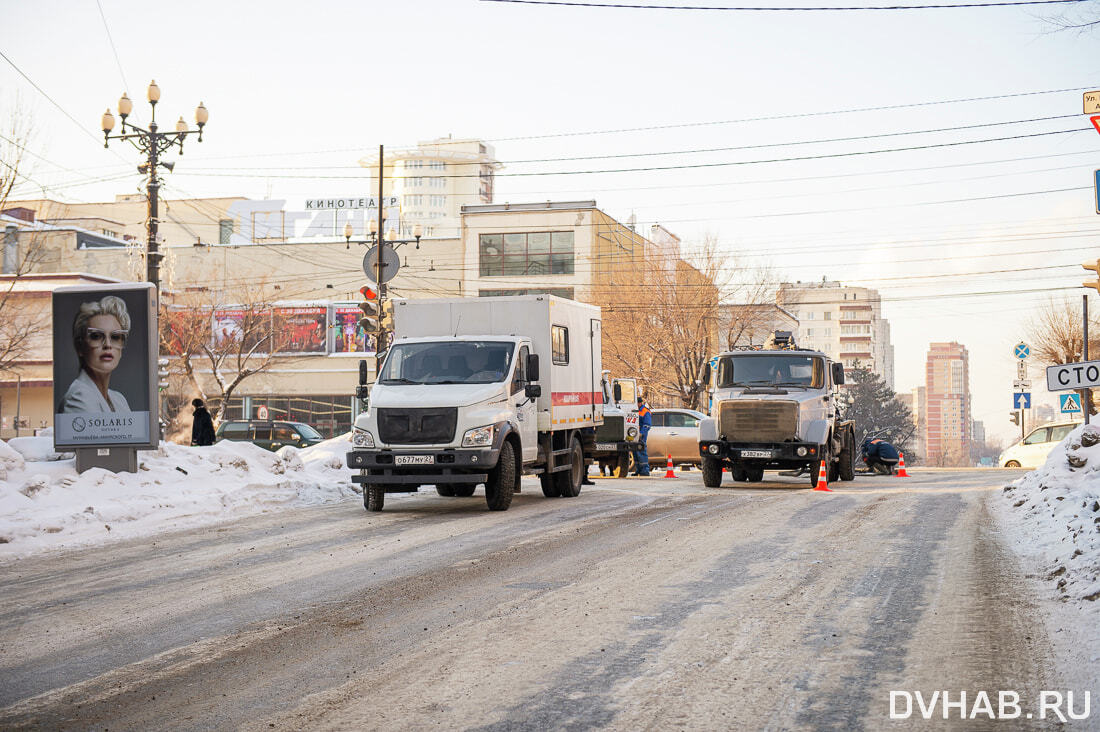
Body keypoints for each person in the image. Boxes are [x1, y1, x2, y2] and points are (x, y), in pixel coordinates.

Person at [58, 295, 132, 414]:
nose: (108, 344)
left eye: (115, 337)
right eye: (96, 336)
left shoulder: (119, 400)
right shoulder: (77, 399)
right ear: (80, 347)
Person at [632, 396, 652, 476]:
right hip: (633, 434)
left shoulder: (645, 411)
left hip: (641, 435)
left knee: (641, 452)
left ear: (640, 403)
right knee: (635, 452)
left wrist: (642, 433)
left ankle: (645, 470)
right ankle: (638, 469)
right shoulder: (635, 410)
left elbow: (647, 425)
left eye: (637, 403)